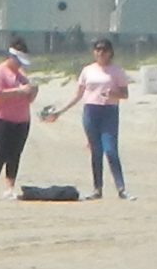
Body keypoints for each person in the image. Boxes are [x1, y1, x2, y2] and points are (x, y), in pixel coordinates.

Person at [49, 42, 131, 197]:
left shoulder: (116, 71)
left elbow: (125, 94)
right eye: (98, 49)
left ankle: (121, 188)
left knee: (111, 150)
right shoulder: (88, 70)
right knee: (96, 151)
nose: (101, 52)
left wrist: (113, 95)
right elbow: (78, 94)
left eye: (104, 50)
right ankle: (97, 189)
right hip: (91, 111)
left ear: (110, 52)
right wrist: (60, 111)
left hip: (109, 111)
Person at [0, 49, 36, 195]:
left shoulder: (22, 75)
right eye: (18, 62)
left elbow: (29, 99)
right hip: (0, 118)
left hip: (21, 118)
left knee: (15, 153)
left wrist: (32, 91)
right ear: (11, 57)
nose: (19, 66)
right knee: (0, 151)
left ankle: (10, 187)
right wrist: (19, 91)